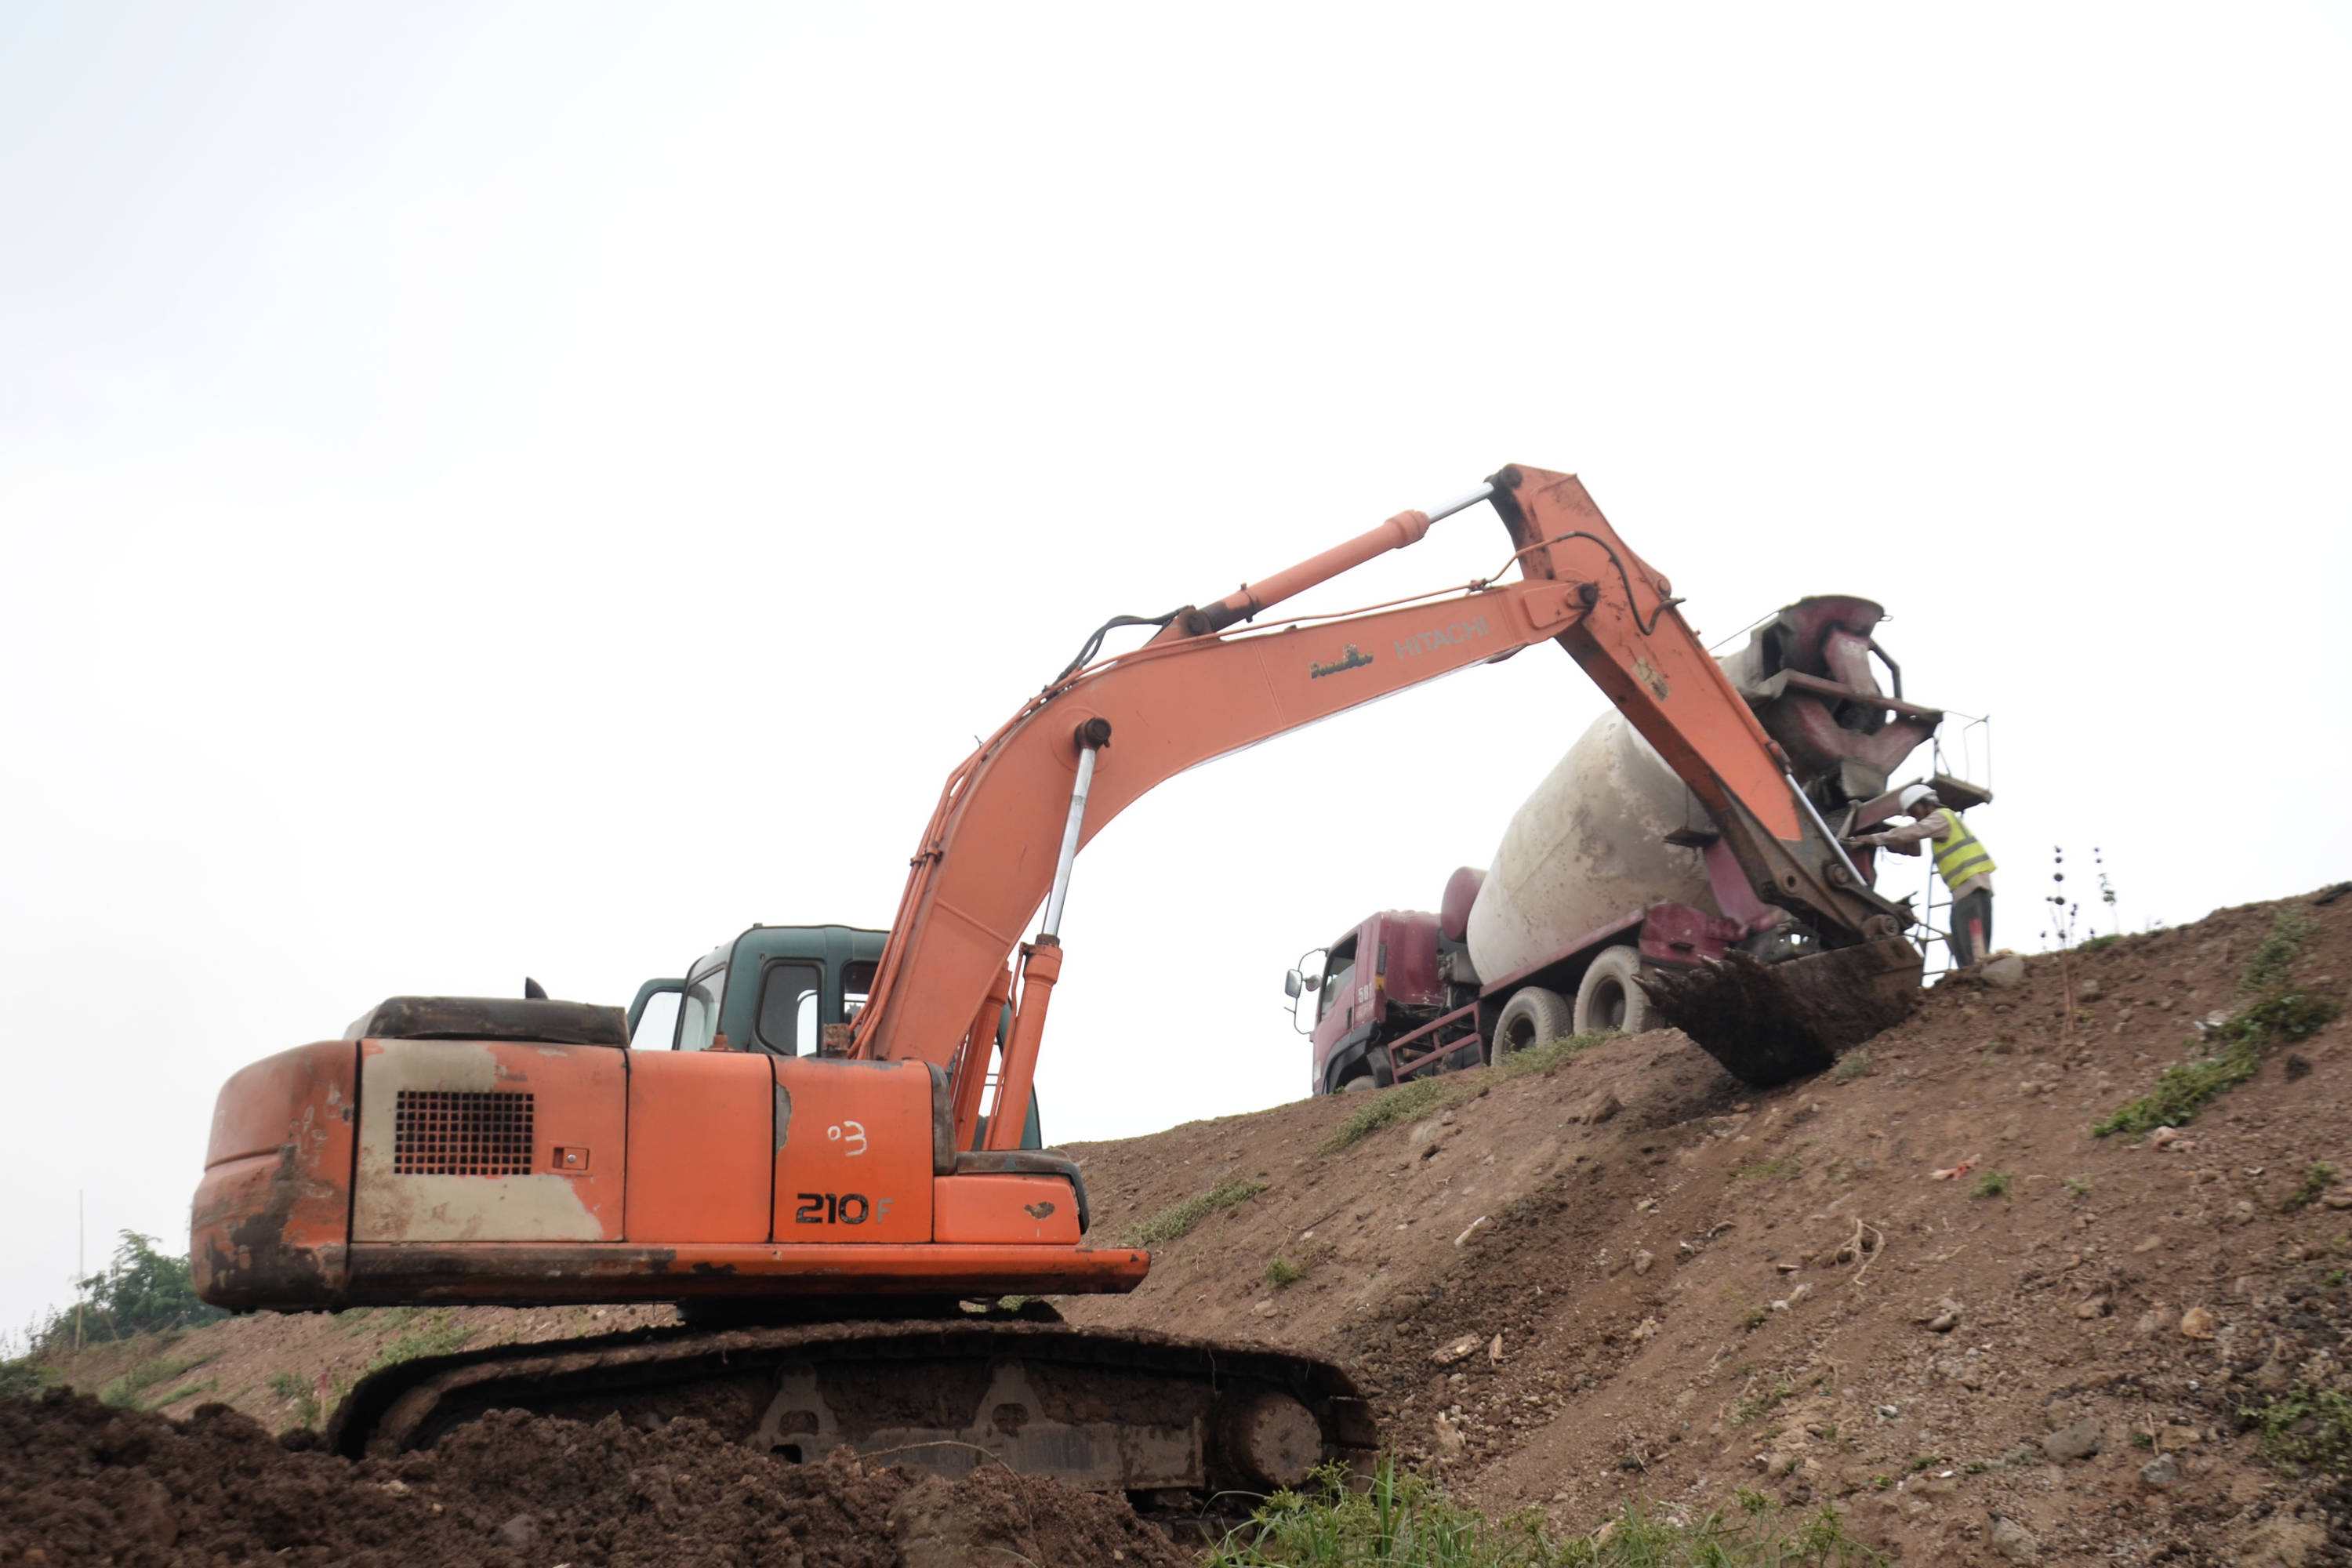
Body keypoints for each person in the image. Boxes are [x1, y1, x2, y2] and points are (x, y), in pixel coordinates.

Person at [1849, 783, 1998, 967]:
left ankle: (1978, 974)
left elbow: (1914, 832)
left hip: (1972, 883)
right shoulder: (1943, 820)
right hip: (1966, 886)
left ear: (1927, 804)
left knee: (1970, 936)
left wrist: (1874, 839)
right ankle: (1973, 973)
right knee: (1960, 932)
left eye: (1914, 811)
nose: (1914, 817)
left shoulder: (1941, 818)